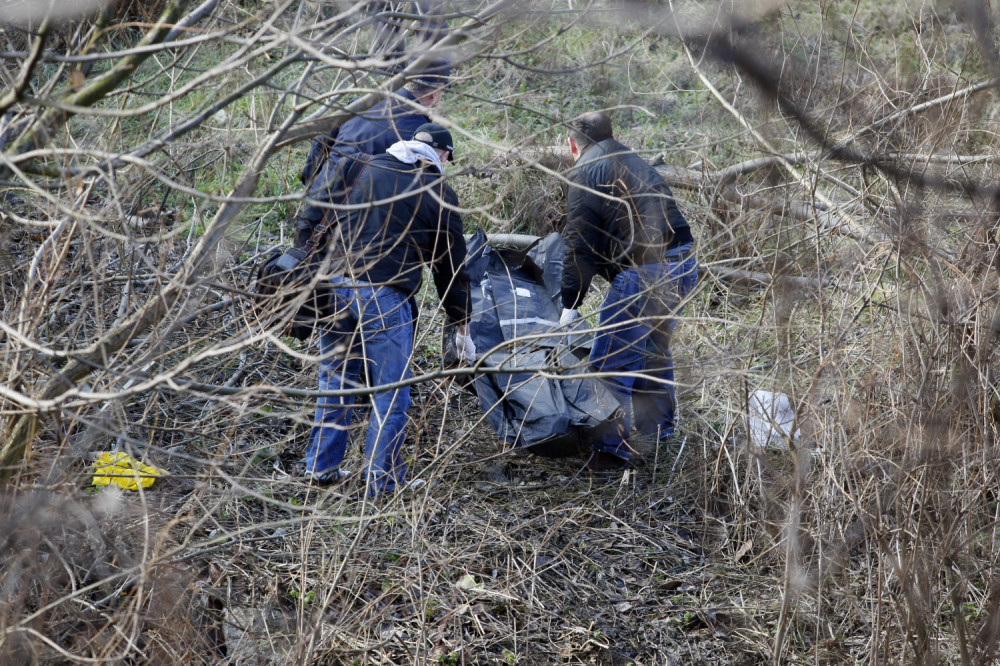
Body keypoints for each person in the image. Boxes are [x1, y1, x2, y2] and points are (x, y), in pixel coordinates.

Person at [299, 122, 476, 495]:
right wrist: (461, 324)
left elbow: (315, 207)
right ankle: (382, 482)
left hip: (334, 288)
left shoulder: (361, 166)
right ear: (442, 155)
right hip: (385, 298)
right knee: (390, 393)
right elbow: (451, 268)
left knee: (335, 381)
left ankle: (320, 468)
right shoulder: (438, 192)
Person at [558, 111, 697, 470]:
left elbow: (579, 245)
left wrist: (570, 305)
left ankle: (610, 454)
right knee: (652, 354)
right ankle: (658, 436)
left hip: (645, 274)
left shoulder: (585, 171)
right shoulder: (631, 160)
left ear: (573, 144)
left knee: (610, 365)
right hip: (683, 262)